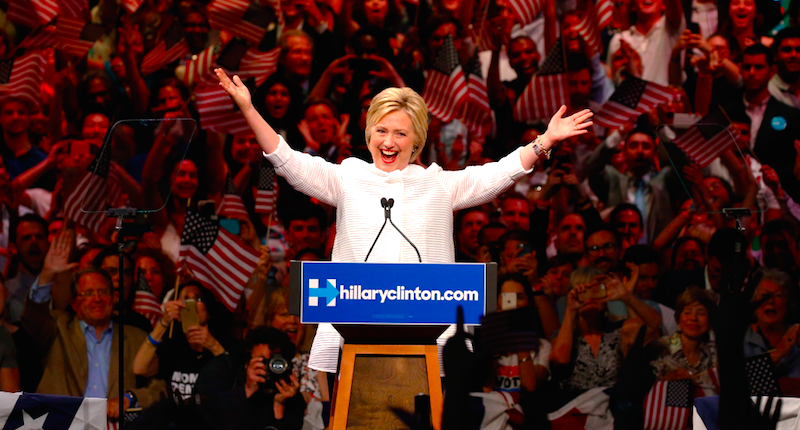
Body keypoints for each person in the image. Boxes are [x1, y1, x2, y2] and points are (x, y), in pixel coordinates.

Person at [216, 68, 593, 390]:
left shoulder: (439, 184)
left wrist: (545, 142)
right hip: (356, 330)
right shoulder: (347, 176)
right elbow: (288, 160)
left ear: (417, 140)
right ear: (368, 135)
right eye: (382, 131)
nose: (389, 142)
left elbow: (497, 174)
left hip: (426, 334)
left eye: (400, 133)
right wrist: (249, 109)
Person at [195, 327, 305, 430]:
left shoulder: (290, 395)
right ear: (246, 363)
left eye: (275, 362)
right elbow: (209, 418)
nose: (269, 367)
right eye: (262, 360)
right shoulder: (224, 371)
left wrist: (279, 406)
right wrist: (247, 390)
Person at [651, 287, 718, 394]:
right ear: (678, 319)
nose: (693, 318)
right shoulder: (660, 348)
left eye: (701, 313)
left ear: (710, 320)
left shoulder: (716, 352)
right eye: (687, 312)